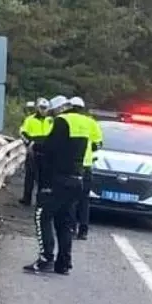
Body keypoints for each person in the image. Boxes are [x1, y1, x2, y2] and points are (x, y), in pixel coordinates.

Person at [25, 96, 88, 276]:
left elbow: (51, 148)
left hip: (58, 179)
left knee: (42, 215)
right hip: (77, 178)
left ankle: (46, 258)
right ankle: (64, 263)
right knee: (65, 221)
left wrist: (36, 146)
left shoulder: (62, 121)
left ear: (59, 109)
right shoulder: (84, 122)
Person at [66, 97, 101, 239]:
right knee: (84, 200)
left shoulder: (65, 119)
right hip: (86, 166)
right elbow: (99, 143)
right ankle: (84, 230)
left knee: (71, 200)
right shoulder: (90, 122)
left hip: (71, 166)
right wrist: (89, 149)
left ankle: (71, 228)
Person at [18, 98, 51, 206]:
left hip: (46, 152)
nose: (43, 110)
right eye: (41, 108)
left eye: (45, 108)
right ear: (37, 108)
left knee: (43, 177)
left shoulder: (51, 120)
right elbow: (22, 132)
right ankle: (26, 198)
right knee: (30, 176)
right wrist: (29, 143)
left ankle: (40, 200)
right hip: (33, 151)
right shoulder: (30, 119)